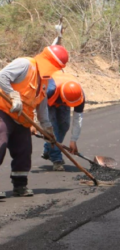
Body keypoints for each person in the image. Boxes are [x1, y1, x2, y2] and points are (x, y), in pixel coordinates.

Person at [0, 45, 69, 198]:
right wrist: (13, 95)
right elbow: (1, 77)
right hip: (3, 111)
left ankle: (20, 186)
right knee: (0, 144)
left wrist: (47, 129)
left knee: (24, 152)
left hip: (22, 118)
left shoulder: (44, 80)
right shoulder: (25, 65)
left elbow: (42, 107)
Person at [41, 71, 85, 171]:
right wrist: (33, 121)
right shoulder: (49, 89)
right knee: (53, 129)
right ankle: (57, 159)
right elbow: (36, 102)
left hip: (62, 97)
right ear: (63, 97)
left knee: (64, 126)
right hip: (47, 102)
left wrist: (73, 140)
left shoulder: (79, 95)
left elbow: (78, 118)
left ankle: (49, 148)